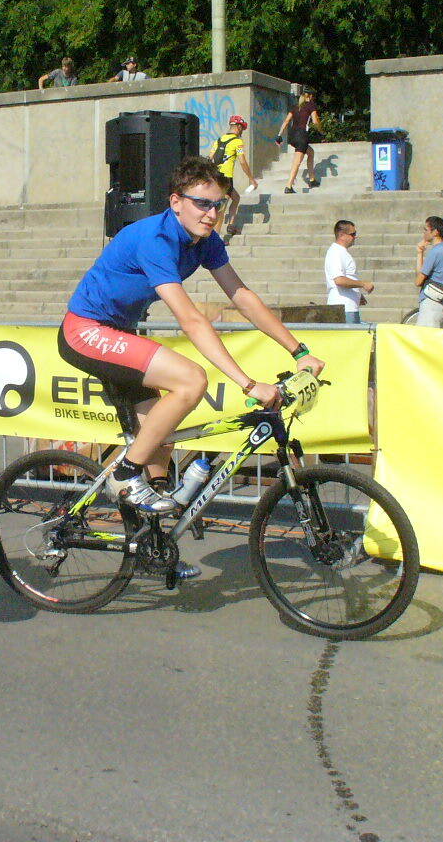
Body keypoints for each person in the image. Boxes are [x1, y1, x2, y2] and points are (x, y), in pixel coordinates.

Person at [59, 156, 325, 578]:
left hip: (119, 332)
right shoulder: (155, 239)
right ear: (176, 202)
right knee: (191, 380)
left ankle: (152, 548)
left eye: (218, 204)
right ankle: (124, 473)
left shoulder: (205, 240)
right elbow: (191, 320)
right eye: (202, 203)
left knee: (160, 445)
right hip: (86, 331)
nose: (212, 213)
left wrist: (299, 352)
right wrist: (248, 383)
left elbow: (242, 296)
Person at [209, 115, 258, 241]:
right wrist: (251, 179)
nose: (242, 131)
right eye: (242, 128)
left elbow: (210, 158)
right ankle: (216, 239)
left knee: (236, 198)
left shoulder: (219, 140)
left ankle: (231, 225)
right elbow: (242, 162)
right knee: (221, 209)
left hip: (216, 176)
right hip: (226, 177)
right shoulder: (237, 142)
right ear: (238, 127)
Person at [324, 220, 373, 325]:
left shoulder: (341, 252)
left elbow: (347, 277)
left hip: (349, 307)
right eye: (352, 234)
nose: (355, 237)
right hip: (343, 309)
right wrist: (363, 284)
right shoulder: (336, 252)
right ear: (342, 235)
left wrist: (357, 293)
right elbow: (339, 280)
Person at [276, 87, 322, 194]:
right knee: (297, 163)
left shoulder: (296, 106)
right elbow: (315, 121)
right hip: (302, 136)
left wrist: (279, 135)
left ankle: (312, 179)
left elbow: (286, 121)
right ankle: (289, 186)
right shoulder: (311, 105)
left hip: (292, 136)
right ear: (311, 96)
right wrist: (321, 130)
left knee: (310, 152)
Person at [414, 216, 443, 327]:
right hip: (440, 304)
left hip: (430, 305)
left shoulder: (435, 252)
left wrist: (419, 254)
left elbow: (418, 281)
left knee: (423, 337)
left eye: (426, 230)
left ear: (435, 232)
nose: (424, 233)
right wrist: (420, 253)